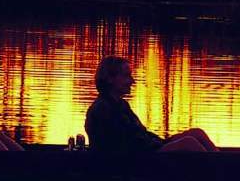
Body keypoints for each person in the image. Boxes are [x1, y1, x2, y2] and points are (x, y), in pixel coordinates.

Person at [85, 56, 217, 153]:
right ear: (110, 79)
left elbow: (140, 134)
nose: (132, 81)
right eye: (126, 76)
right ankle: (217, 173)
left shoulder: (121, 105)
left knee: (196, 133)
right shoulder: (102, 109)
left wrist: (162, 142)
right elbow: (124, 144)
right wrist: (161, 146)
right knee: (189, 143)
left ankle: (221, 163)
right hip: (136, 160)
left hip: (148, 149)